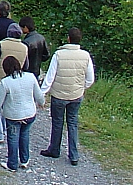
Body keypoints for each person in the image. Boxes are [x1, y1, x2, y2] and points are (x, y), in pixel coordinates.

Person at [40, 28, 95, 166]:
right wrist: (81, 88)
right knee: (73, 123)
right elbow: (90, 78)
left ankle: (54, 149)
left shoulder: (59, 54)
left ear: (68, 39)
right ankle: (74, 155)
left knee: (57, 122)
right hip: (76, 95)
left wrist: (42, 93)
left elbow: (50, 77)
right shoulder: (85, 55)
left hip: (58, 95)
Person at [0, 55, 44, 172]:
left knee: (13, 138)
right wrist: (41, 103)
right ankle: (24, 160)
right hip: (29, 114)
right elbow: (38, 95)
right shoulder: (30, 77)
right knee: (25, 135)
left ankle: (12, 164)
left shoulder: (5, 82)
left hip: (13, 116)